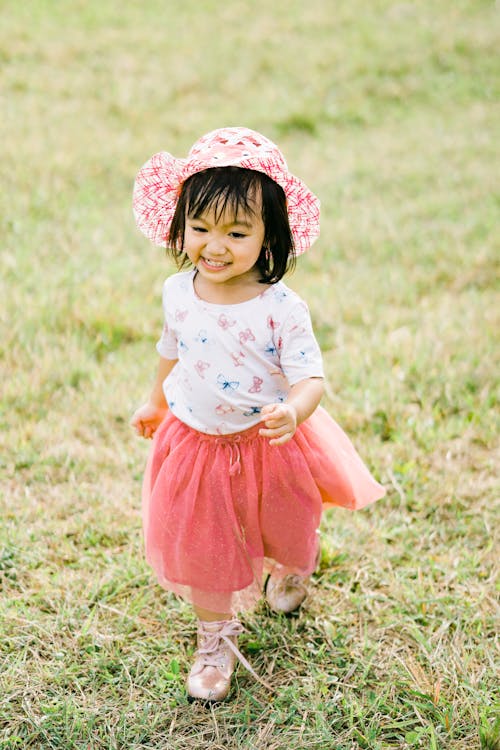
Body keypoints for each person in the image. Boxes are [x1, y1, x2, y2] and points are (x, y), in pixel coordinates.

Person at [130, 127, 385, 702]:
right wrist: (155, 399)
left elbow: (310, 377)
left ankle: (294, 568)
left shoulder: (280, 308)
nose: (214, 246)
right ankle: (214, 636)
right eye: (200, 228)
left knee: (284, 524)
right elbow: (171, 349)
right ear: (180, 226)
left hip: (267, 441)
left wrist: (295, 412)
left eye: (237, 232)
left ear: (270, 235)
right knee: (201, 541)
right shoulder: (178, 291)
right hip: (195, 441)